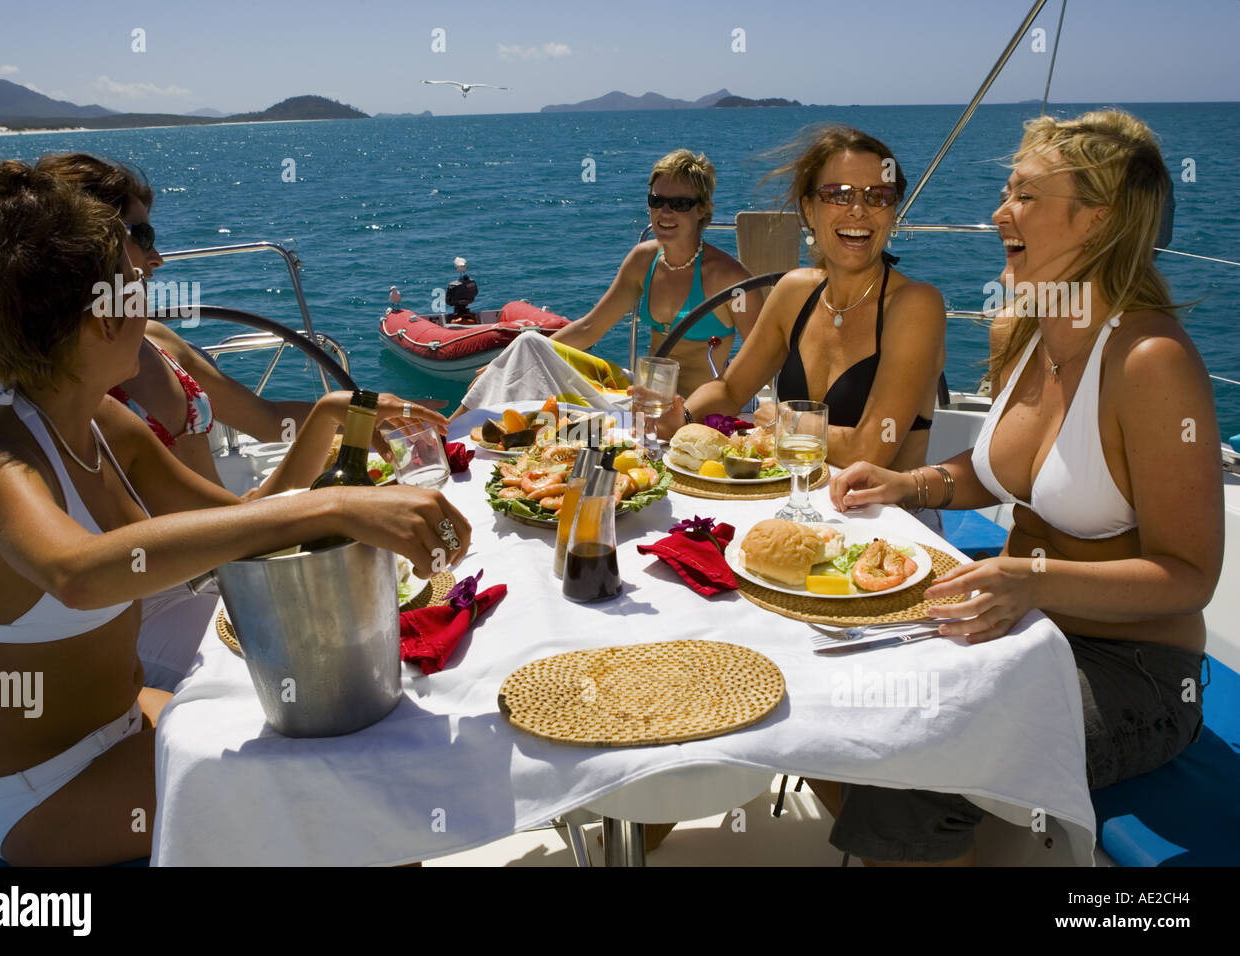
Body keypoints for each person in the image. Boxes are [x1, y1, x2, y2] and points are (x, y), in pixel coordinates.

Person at [0, 163, 471, 865]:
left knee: (360, 748)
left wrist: (331, 423)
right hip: (41, 792)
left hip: (128, 724)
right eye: (132, 286)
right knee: (339, 796)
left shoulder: (104, 423)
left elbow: (237, 526)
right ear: (97, 320)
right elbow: (76, 573)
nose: (148, 291)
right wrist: (339, 505)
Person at [823, 110, 1222, 865]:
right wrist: (906, 483)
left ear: (1097, 220)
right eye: (1007, 193)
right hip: (1023, 631)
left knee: (920, 750)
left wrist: (1030, 578)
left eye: (1026, 196)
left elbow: (1190, 578)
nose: (999, 213)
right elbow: (993, 469)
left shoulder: (1149, 363)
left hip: (1135, 675)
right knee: (842, 677)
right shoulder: (1030, 330)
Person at [34, 153, 446, 487]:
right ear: (92, 244)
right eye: (142, 237)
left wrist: (362, 416)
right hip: (187, 569)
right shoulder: (75, 401)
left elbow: (266, 422)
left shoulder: (158, 342)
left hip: (224, 541)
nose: (156, 257)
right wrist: (331, 417)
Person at [660, 127, 945, 477]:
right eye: (837, 194)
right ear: (808, 209)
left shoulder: (916, 305)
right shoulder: (795, 292)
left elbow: (871, 449)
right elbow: (731, 389)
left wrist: (786, 421)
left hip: (889, 521)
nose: (858, 210)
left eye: (878, 196)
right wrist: (682, 417)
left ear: (893, 212)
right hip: (794, 500)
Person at [457, 149, 763, 414]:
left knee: (538, 375)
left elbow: (765, 356)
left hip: (691, 408)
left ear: (701, 209)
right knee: (527, 344)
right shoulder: (644, 260)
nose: (665, 212)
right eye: (657, 201)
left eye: (679, 204)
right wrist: (506, 365)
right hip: (639, 397)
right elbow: (590, 328)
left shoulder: (729, 279)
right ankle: (450, 437)